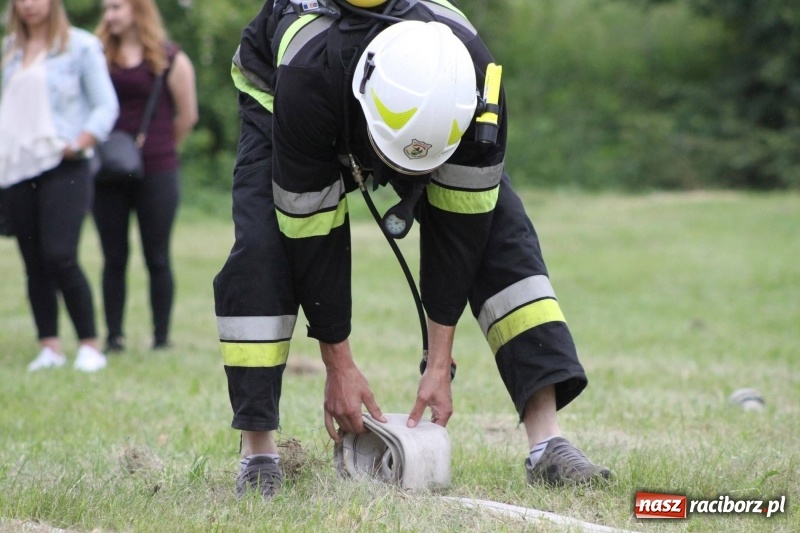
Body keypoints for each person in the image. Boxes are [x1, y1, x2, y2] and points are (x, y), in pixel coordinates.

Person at [214, 0, 612, 498]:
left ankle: (548, 443)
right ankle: (259, 454)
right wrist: (339, 365)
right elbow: (312, 235)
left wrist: (439, 361)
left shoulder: (474, 79)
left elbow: (462, 230)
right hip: (285, 104)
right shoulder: (308, 73)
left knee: (502, 237)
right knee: (263, 250)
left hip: (421, 121)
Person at [0, 0, 119, 373]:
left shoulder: (80, 46)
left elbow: (105, 105)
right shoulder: (9, 49)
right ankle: (49, 348)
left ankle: (89, 346)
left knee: (60, 255)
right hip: (16, 168)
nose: (28, 5)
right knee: (33, 261)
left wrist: (80, 142)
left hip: (63, 164)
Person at [94, 0, 198, 353]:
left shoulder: (170, 58)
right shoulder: (98, 57)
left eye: (116, 7)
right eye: (106, 9)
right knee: (113, 258)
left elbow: (187, 116)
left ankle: (161, 337)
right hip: (108, 169)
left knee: (157, 256)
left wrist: (161, 148)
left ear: (138, 9)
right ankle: (114, 337)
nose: (109, 15)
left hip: (157, 169)